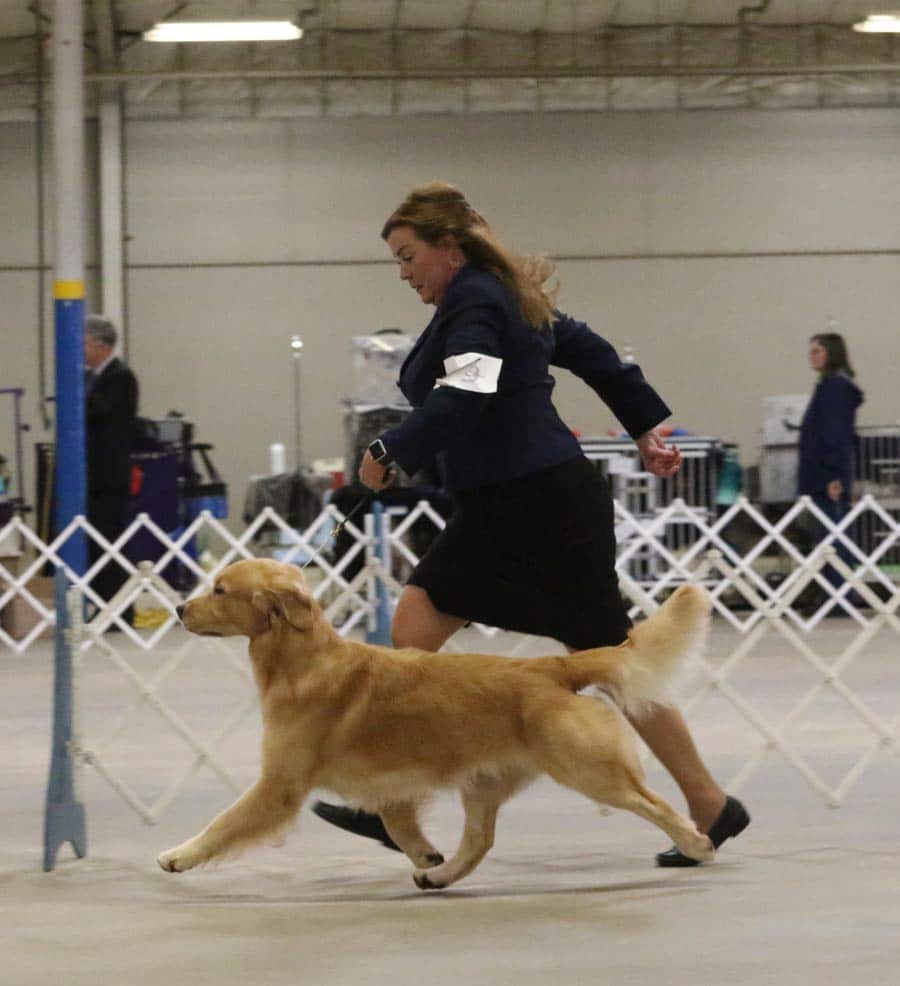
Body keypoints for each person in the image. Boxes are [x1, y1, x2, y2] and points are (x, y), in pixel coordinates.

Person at [313, 183, 749, 867]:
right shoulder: (497, 295)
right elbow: (596, 352)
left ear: (448, 248)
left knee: (612, 660)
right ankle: (396, 803)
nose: (404, 274)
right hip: (502, 505)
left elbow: (465, 393)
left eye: (408, 257)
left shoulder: (481, 302)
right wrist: (643, 427)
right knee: (415, 627)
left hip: (543, 508)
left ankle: (709, 804)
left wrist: (388, 452)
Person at [798, 333, 864, 599]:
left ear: (831, 354)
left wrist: (834, 475)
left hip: (828, 476)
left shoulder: (834, 388)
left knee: (833, 537)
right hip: (822, 473)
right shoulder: (829, 386)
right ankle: (836, 592)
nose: (811, 356)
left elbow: (835, 434)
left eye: (817, 351)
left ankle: (840, 594)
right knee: (829, 535)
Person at [84, 314, 139, 627]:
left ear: (101, 345)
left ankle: (120, 611)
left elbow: (103, 413)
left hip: (109, 477)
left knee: (110, 544)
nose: (82, 351)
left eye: (86, 344)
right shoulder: (95, 378)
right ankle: (104, 605)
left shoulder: (121, 377)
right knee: (97, 545)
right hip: (94, 477)